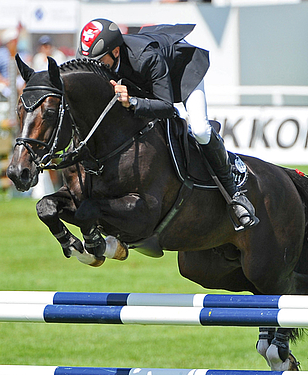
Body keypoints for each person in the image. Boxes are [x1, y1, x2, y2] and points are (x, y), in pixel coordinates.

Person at [76, 19, 257, 229]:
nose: (93, 66)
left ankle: (235, 193)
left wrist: (133, 102)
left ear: (115, 52)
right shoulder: (105, 58)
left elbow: (167, 106)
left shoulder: (145, 57)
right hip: (146, 82)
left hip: (183, 73)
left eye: (99, 60)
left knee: (199, 130)